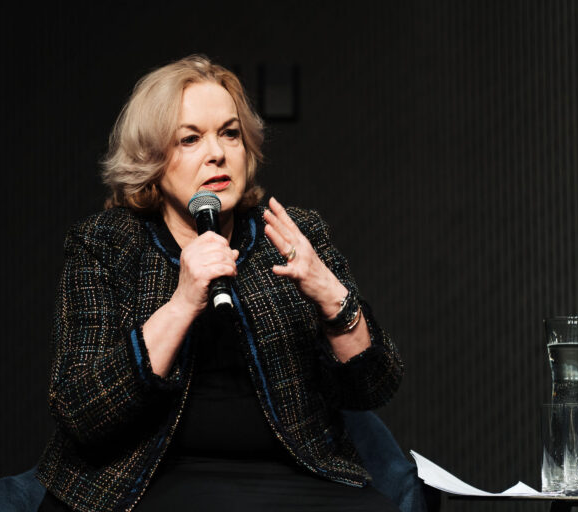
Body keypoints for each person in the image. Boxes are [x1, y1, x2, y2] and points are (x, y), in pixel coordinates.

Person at [36, 55, 404, 512]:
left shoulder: (291, 235)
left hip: (287, 477)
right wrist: (182, 303)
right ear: (151, 159)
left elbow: (373, 388)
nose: (218, 153)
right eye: (190, 139)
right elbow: (80, 412)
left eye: (230, 133)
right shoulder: (106, 244)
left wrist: (331, 296)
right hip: (142, 482)